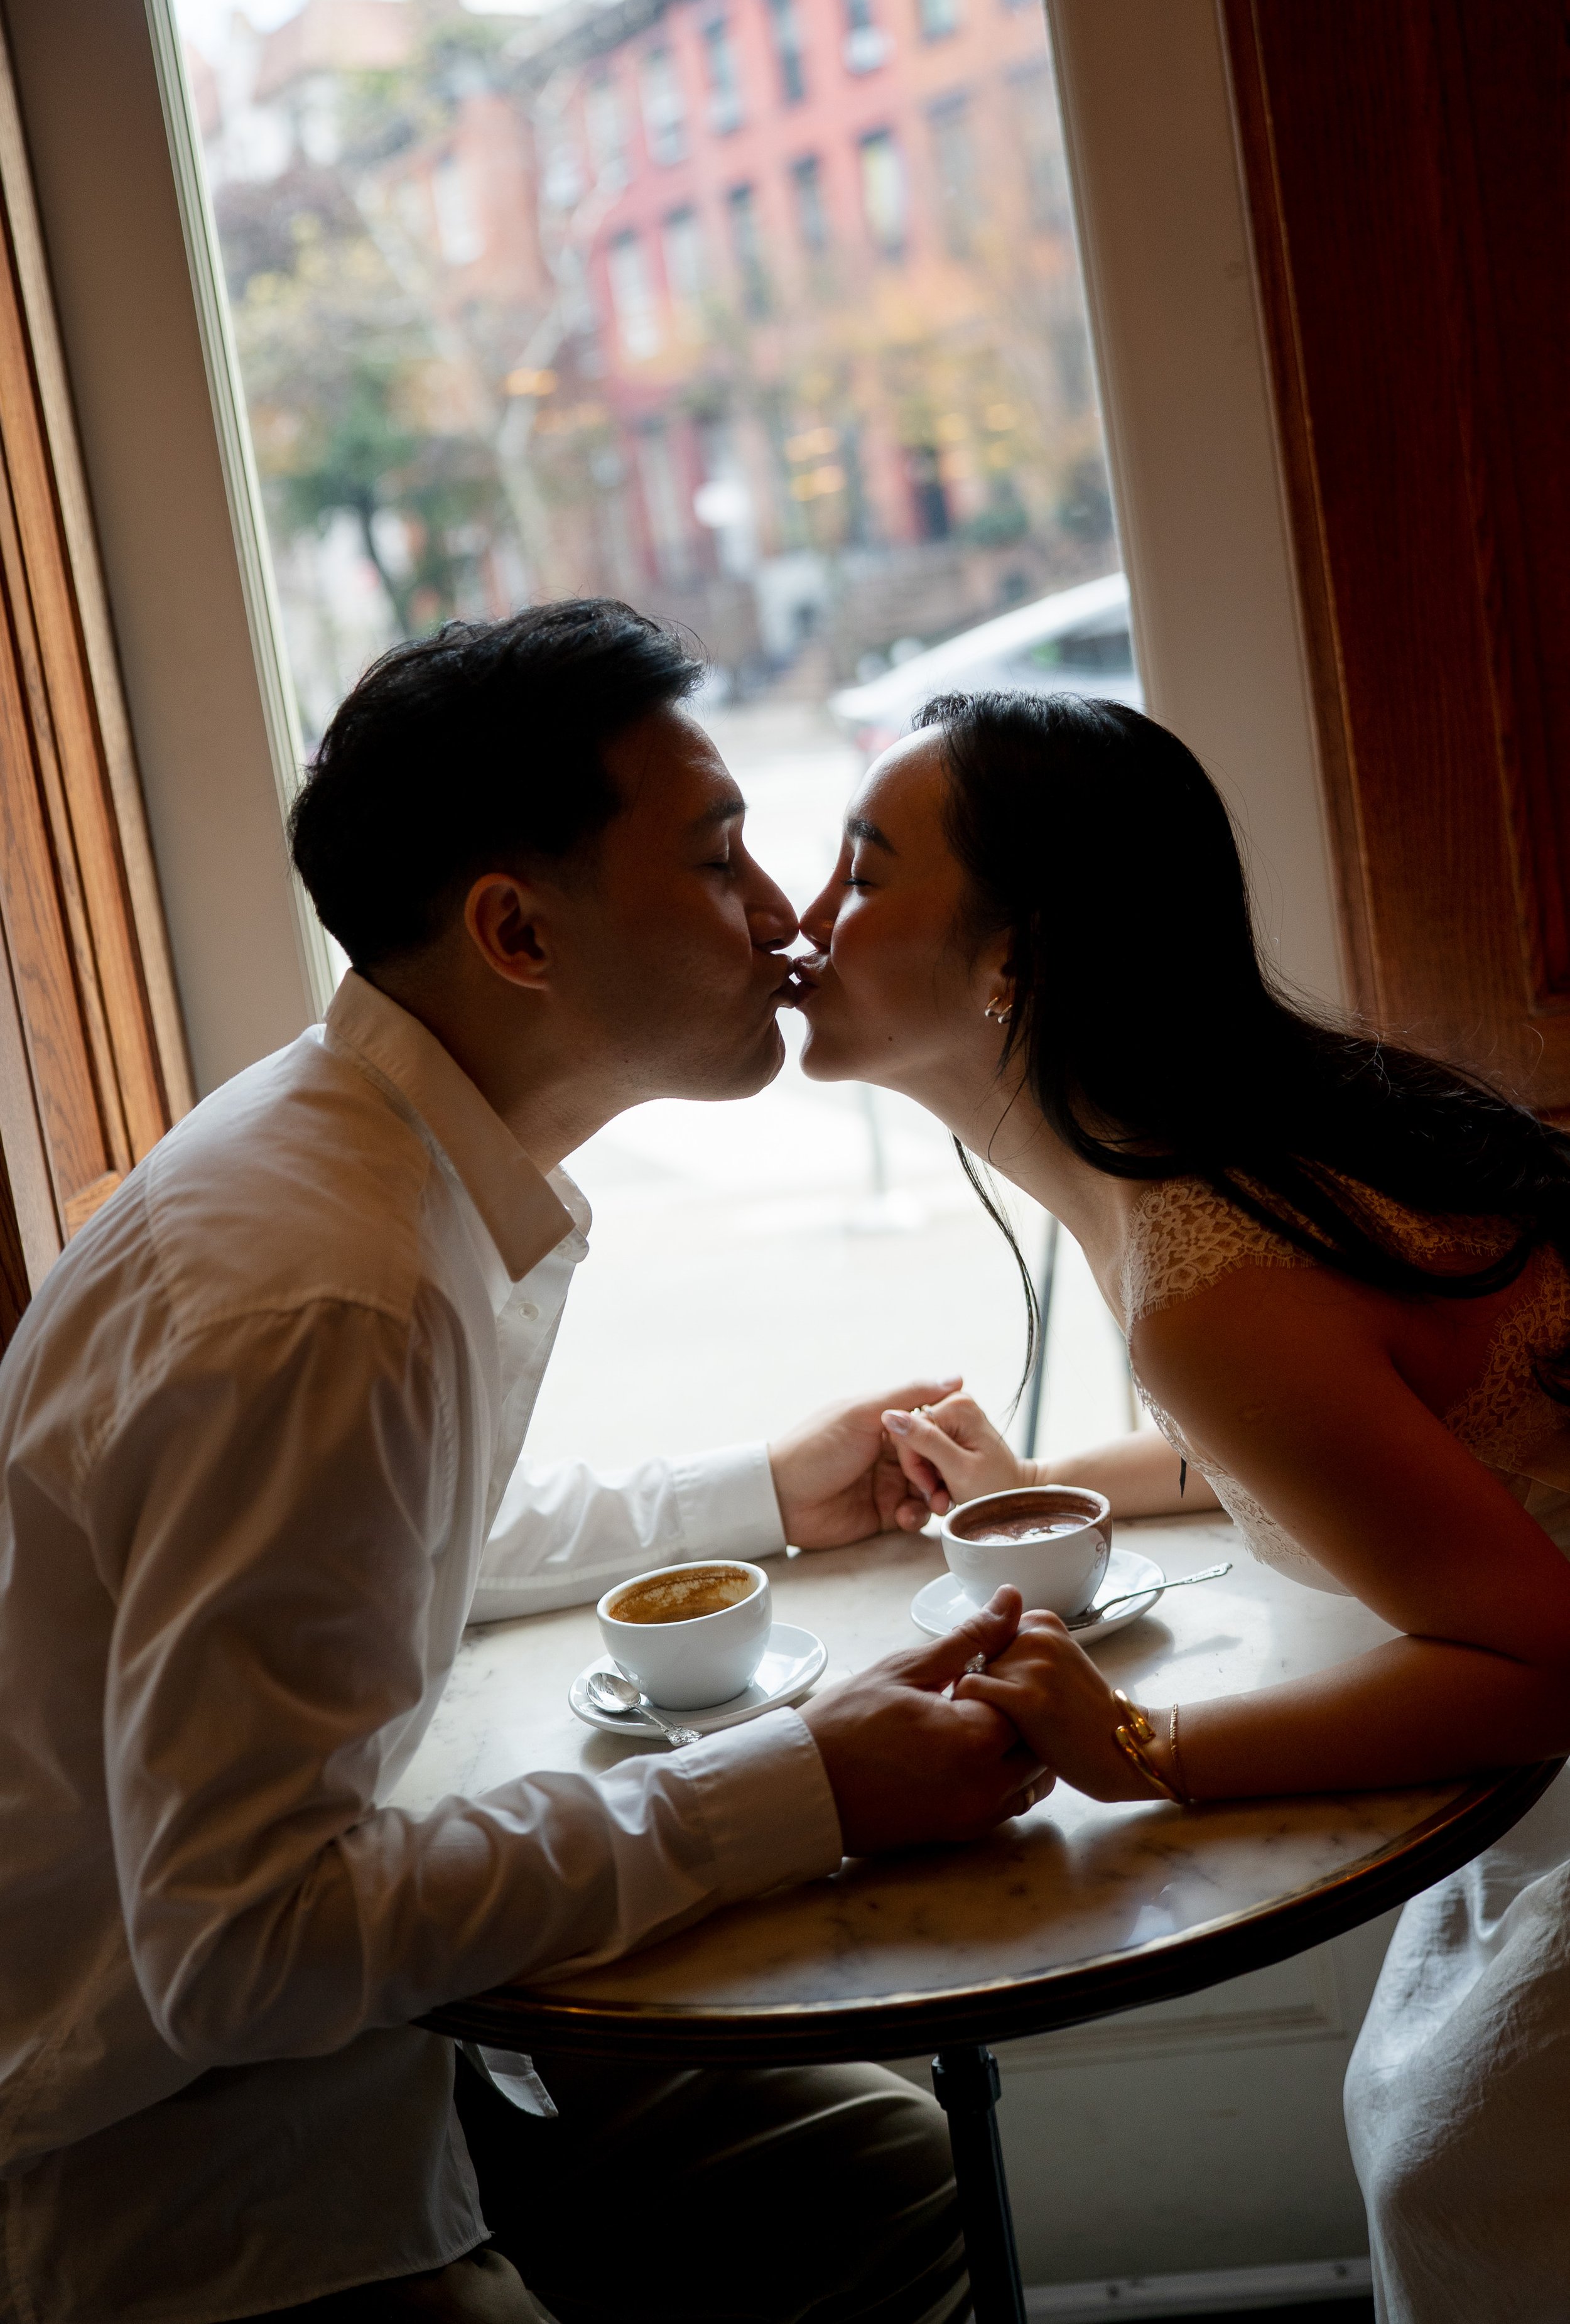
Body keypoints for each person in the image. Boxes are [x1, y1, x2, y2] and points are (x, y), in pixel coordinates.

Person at [0, 605, 1051, 2324]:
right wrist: (804, 1784)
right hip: (172, 2158)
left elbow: (383, 1557)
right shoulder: (331, 1290)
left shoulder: (352, 1154)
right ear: (515, 930)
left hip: (348, 2050)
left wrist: (756, 1497)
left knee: (877, 2162)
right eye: (718, 859)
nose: (785, 916)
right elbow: (243, 1952)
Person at [789, 687, 1570, 2324]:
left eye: (863, 871)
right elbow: (1352, 1434)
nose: (805, 918)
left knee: (1454, 2160)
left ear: (1016, 956)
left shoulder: (1204, 1269)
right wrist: (1046, 1489)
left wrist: (1139, 1749)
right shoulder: (1182, 1180)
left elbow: (1543, 1662)